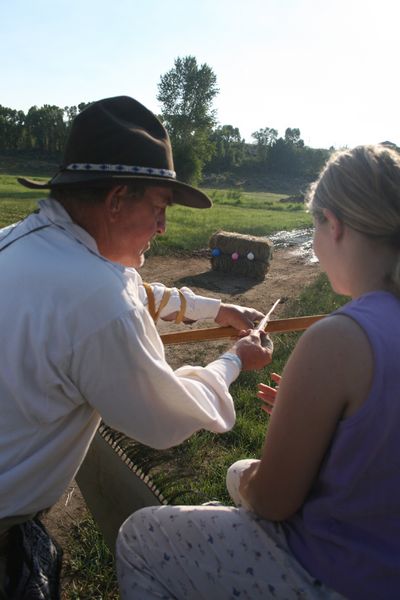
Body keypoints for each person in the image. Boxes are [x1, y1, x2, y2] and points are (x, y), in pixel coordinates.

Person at [0, 96, 273, 598]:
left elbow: (133, 288)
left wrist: (215, 310)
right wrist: (236, 360)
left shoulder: (22, 242)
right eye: (159, 208)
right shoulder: (95, 296)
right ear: (116, 199)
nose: (163, 227)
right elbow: (165, 418)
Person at [116, 143, 400, 600]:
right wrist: (318, 425)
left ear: (335, 225)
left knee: (141, 535)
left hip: (341, 574)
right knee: (234, 473)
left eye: (314, 225)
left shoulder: (337, 340)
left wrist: (251, 491)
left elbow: (272, 501)